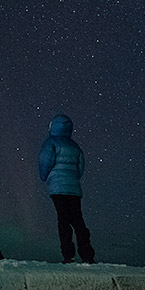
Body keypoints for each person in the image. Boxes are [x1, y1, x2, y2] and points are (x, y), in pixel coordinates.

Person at [38, 113, 96, 264]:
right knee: (78, 220)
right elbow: (80, 167)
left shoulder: (51, 142)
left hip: (58, 187)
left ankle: (68, 255)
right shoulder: (74, 145)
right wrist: (74, 180)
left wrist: (45, 177)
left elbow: (45, 162)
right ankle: (87, 254)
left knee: (63, 219)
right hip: (74, 188)